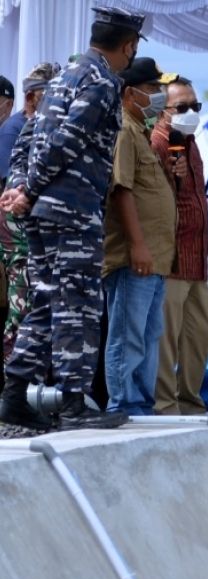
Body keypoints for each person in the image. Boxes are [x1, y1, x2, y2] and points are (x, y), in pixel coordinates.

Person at [0, 6, 145, 431]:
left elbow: (29, 135)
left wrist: (24, 185)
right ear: (129, 46)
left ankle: (13, 396)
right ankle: (72, 402)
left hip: (45, 212)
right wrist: (26, 189)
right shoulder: (101, 83)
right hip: (72, 212)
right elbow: (68, 139)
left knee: (44, 301)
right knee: (77, 306)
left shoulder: (63, 76)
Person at [102, 57, 175, 416]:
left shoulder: (140, 132)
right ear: (130, 93)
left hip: (154, 259)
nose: (159, 95)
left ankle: (142, 404)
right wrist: (138, 245)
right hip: (135, 258)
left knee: (148, 336)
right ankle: (124, 404)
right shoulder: (123, 130)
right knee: (128, 336)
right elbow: (121, 190)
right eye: (152, 89)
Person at [152, 74, 208, 415]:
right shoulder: (157, 143)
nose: (190, 112)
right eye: (182, 106)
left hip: (197, 259)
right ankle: (164, 407)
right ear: (163, 110)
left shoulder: (190, 144)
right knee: (166, 341)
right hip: (171, 259)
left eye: (195, 106)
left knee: (199, 338)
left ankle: (190, 402)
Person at [1, 63, 60, 378]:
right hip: (21, 239)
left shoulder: (38, 126)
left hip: (31, 239)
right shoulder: (22, 129)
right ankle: (14, 392)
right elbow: (10, 191)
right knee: (23, 312)